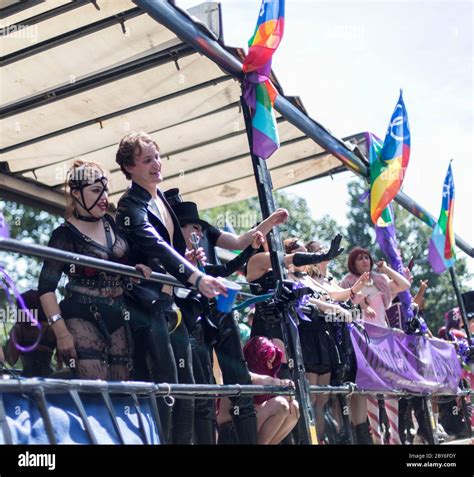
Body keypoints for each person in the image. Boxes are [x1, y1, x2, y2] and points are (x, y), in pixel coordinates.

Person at [114, 132, 227, 444]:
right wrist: (196, 276)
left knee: (187, 392)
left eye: (157, 157)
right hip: (146, 309)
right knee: (165, 393)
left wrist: (187, 259)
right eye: (147, 159)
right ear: (129, 167)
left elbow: (168, 251)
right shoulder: (129, 205)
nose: (156, 164)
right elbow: (154, 245)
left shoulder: (159, 196)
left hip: (171, 308)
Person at [38, 160, 151, 382]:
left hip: (119, 316)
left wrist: (136, 269)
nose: (104, 197)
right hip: (80, 316)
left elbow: (128, 262)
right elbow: (46, 289)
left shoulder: (113, 223)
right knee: (96, 391)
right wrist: (62, 333)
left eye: (106, 190)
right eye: (96, 190)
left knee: (121, 393)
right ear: (77, 194)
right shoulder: (63, 236)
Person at [170, 198, 266, 444]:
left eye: (200, 227)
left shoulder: (204, 250)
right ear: (177, 230)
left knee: (240, 386)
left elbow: (225, 269)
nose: (199, 231)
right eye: (192, 226)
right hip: (190, 322)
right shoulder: (167, 256)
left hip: (218, 317)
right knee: (203, 392)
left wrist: (255, 245)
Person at [340, 247, 411, 444]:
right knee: (370, 392)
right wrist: (362, 304)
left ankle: (395, 439)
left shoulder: (380, 281)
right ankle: (377, 440)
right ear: (352, 263)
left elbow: (404, 285)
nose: (364, 260)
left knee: (390, 390)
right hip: (364, 343)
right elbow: (343, 303)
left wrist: (386, 269)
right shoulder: (348, 283)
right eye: (359, 258)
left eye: (366, 257)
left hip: (384, 343)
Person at [218, 336, 299, 445]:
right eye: (268, 360)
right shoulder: (241, 374)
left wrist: (285, 387)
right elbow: (262, 381)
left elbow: (290, 395)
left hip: (245, 428)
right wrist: (281, 384)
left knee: (293, 407)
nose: (270, 366)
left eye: (273, 362)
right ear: (256, 358)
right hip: (228, 433)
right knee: (280, 404)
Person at [5, 290, 56, 377]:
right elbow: (61, 362)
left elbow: (11, 361)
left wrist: (11, 338)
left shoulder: (19, 330)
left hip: (26, 379)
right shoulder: (52, 329)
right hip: (49, 378)